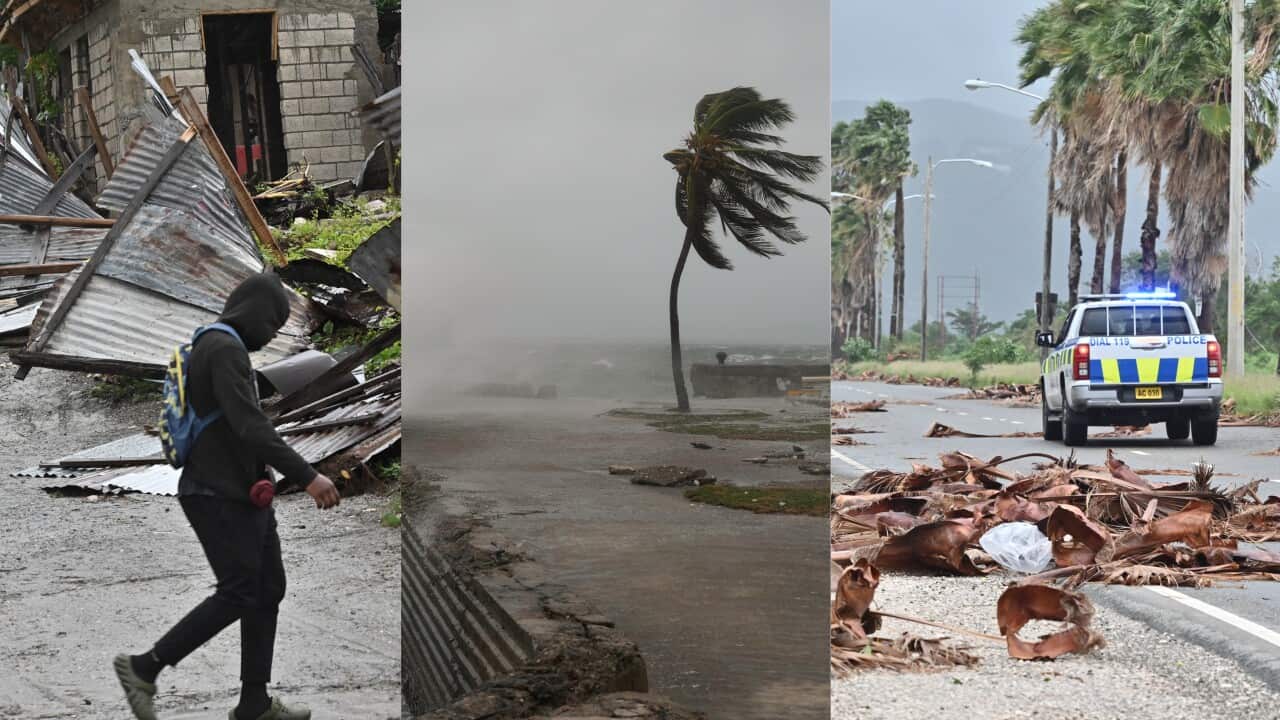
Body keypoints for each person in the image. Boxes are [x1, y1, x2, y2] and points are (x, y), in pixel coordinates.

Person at [113, 273, 342, 720]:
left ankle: (255, 704)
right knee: (239, 591)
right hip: (215, 495)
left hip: (242, 493)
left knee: (267, 588)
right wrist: (308, 475)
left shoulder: (214, 346)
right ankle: (143, 667)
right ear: (256, 312)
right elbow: (248, 424)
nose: (273, 334)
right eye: (273, 324)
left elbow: (236, 426)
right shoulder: (224, 349)